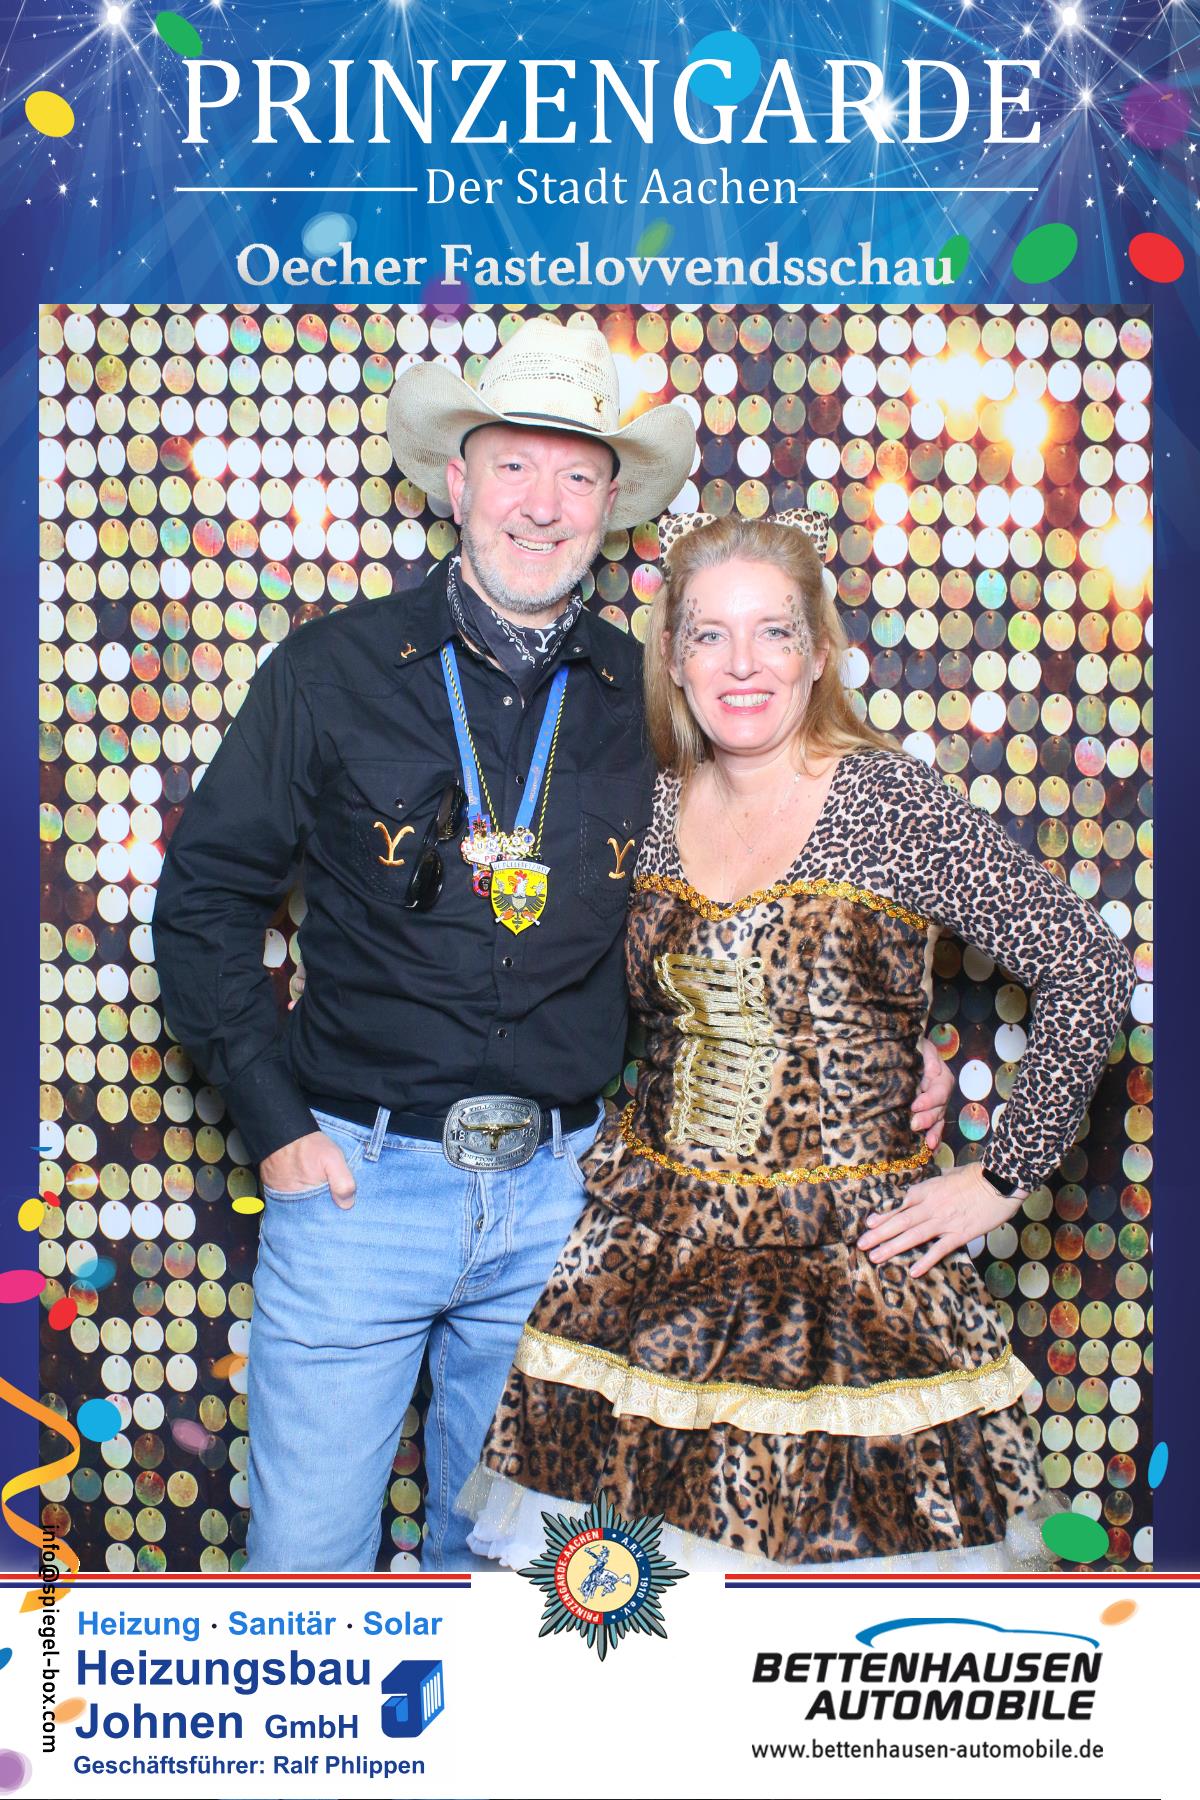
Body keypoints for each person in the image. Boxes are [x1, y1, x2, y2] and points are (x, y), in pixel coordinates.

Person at [153, 317, 952, 1574]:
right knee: (304, 1573)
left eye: (577, 474)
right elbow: (204, 898)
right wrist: (276, 1125)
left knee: (538, 1594)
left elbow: (753, 891)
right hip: (358, 1186)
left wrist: (883, 1042)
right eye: (514, 465)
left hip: (566, 1207)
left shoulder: (658, 700)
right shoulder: (328, 671)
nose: (542, 503)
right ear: (456, 481)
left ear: (611, 506)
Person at [465, 508, 1136, 1571]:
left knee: (841, 1621)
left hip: (850, 1270)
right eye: (710, 634)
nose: (743, 664)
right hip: (650, 1263)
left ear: (819, 654)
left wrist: (1002, 1176)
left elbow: (1088, 968)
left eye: (773, 632)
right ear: (673, 661)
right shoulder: (644, 805)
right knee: (626, 1616)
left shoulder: (887, 802)